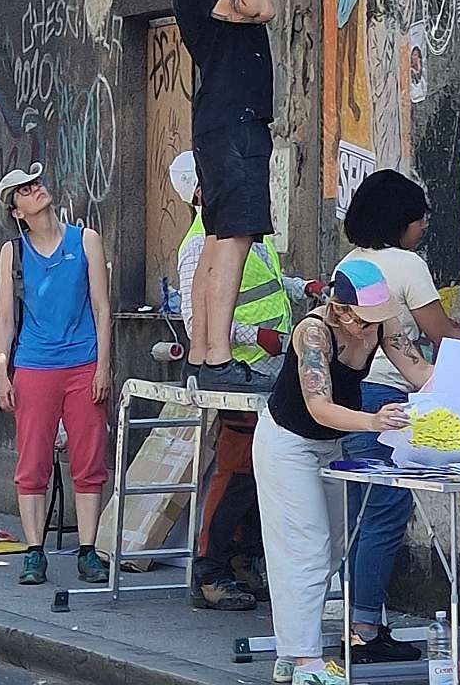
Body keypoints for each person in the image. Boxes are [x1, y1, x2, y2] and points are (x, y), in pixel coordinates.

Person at [338, 171, 460, 663]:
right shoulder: (406, 264)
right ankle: (364, 629)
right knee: (386, 513)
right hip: (389, 399)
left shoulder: (351, 263)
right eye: (420, 218)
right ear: (400, 220)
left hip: (354, 397)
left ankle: (357, 621)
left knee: (361, 513)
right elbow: (442, 333)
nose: (424, 227)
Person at [253, 262, 455, 685]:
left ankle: (291, 650)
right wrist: (373, 422)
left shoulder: (381, 323)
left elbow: (420, 372)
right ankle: (306, 660)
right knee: (306, 549)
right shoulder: (313, 333)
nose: (369, 330)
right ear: (340, 310)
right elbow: (319, 406)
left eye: (376, 321)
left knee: (330, 550)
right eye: (363, 321)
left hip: (329, 445)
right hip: (287, 443)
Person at [170, 0, 310, 393]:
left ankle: (202, 357)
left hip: (226, 122)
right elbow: (262, 6)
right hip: (232, 122)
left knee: (218, 240)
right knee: (234, 239)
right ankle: (219, 357)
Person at [169, 150, 325, 610]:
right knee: (236, 471)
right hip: (238, 373)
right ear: (202, 192)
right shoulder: (199, 245)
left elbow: (269, 281)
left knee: (260, 475)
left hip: (267, 371)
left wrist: (303, 287)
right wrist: (255, 336)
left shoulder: (243, 232)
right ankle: (209, 571)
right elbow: (195, 319)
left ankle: (240, 560)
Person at [0, 163, 111, 588]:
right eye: (24, 190)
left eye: (36, 183)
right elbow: (5, 319)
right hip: (34, 365)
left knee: (89, 458)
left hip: (83, 364)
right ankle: (34, 551)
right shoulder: (13, 252)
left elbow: (102, 308)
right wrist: (2, 372)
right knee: (33, 461)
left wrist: (104, 365)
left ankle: (88, 550)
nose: (36, 189)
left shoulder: (86, 240)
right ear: (16, 211)